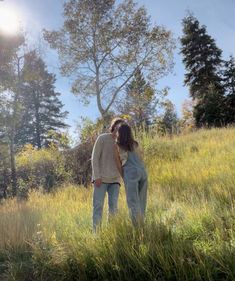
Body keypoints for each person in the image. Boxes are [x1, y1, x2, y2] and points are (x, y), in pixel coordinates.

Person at [91, 117, 125, 232]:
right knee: (98, 207)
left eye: (122, 128)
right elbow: (94, 158)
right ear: (113, 127)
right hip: (101, 179)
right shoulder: (102, 138)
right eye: (118, 127)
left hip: (115, 180)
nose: (119, 129)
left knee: (113, 209)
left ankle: (111, 234)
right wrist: (97, 177)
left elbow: (124, 162)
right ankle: (96, 235)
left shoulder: (123, 143)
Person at [114, 123, 148, 226]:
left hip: (130, 172)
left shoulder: (117, 145)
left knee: (133, 202)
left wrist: (124, 177)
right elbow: (141, 158)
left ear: (119, 133)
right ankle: (142, 225)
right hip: (143, 172)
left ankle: (137, 229)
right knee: (142, 201)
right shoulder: (135, 144)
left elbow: (118, 164)